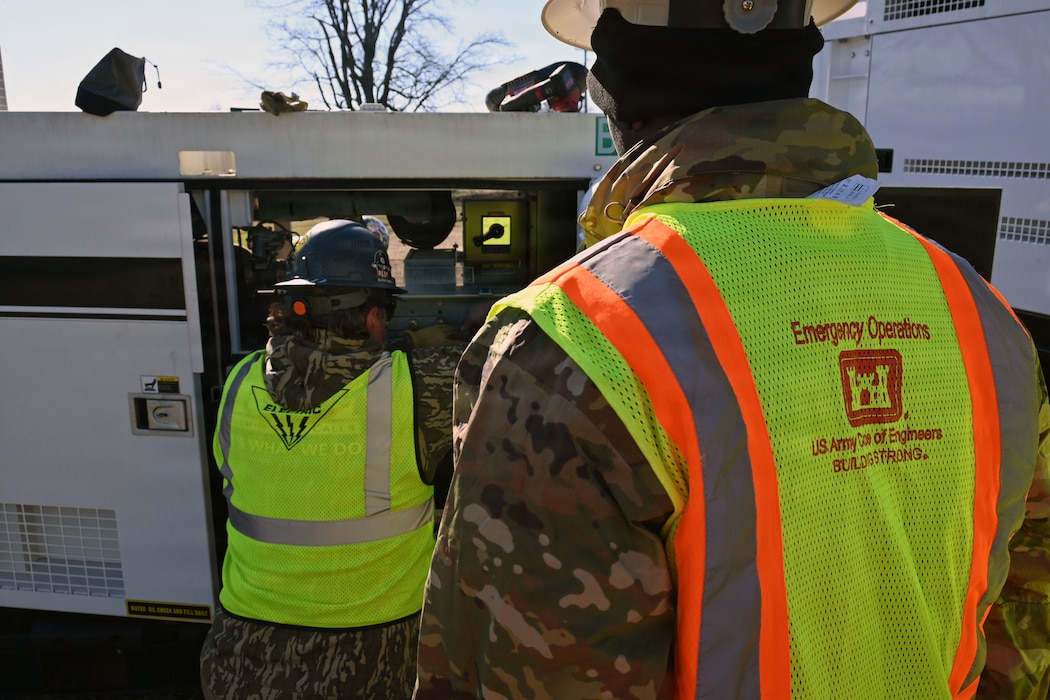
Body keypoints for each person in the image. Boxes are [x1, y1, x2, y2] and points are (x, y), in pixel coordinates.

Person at [414, 1, 1050, 698]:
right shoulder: (983, 318)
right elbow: (1021, 628)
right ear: (802, 62)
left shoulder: (575, 344)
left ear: (618, 92)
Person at [199, 219, 471, 699]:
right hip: (370, 661)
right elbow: (498, 357)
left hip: (241, 655)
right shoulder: (418, 386)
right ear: (371, 318)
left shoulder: (237, 382)